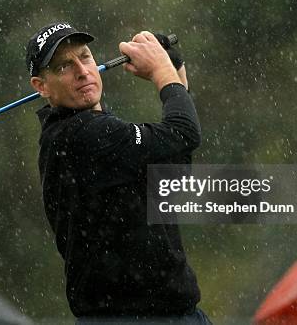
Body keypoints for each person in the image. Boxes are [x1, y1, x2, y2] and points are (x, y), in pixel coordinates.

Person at [27, 22, 211, 324]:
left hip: (174, 315)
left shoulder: (95, 133)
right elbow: (184, 134)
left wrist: (174, 73)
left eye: (84, 57)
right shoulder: (80, 134)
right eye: (63, 67)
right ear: (41, 86)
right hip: (130, 318)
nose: (82, 71)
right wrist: (161, 73)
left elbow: (174, 170)